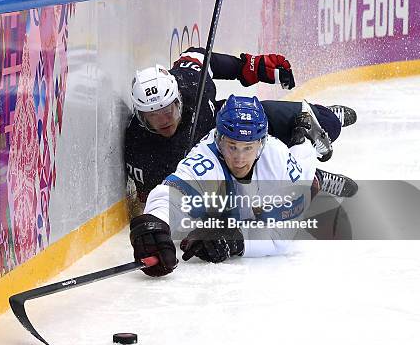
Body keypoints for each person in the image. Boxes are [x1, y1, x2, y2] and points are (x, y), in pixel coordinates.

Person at [125, 48, 357, 213]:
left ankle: (322, 120)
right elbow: (158, 199)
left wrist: (251, 68)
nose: (164, 121)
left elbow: (200, 56)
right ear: (140, 117)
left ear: (178, 99)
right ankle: (313, 176)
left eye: (169, 110)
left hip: (233, 121)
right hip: (225, 158)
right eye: (152, 117)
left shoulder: (189, 81)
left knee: (324, 123)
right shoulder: (142, 150)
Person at [129, 95, 323, 277]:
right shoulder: (205, 157)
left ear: (261, 144)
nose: (239, 159)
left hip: (294, 175)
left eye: (248, 148)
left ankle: (305, 136)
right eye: (232, 146)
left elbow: (281, 235)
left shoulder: (278, 157)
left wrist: (236, 240)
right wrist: (155, 221)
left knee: (307, 173)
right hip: (241, 196)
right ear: (218, 140)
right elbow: (173, 192)